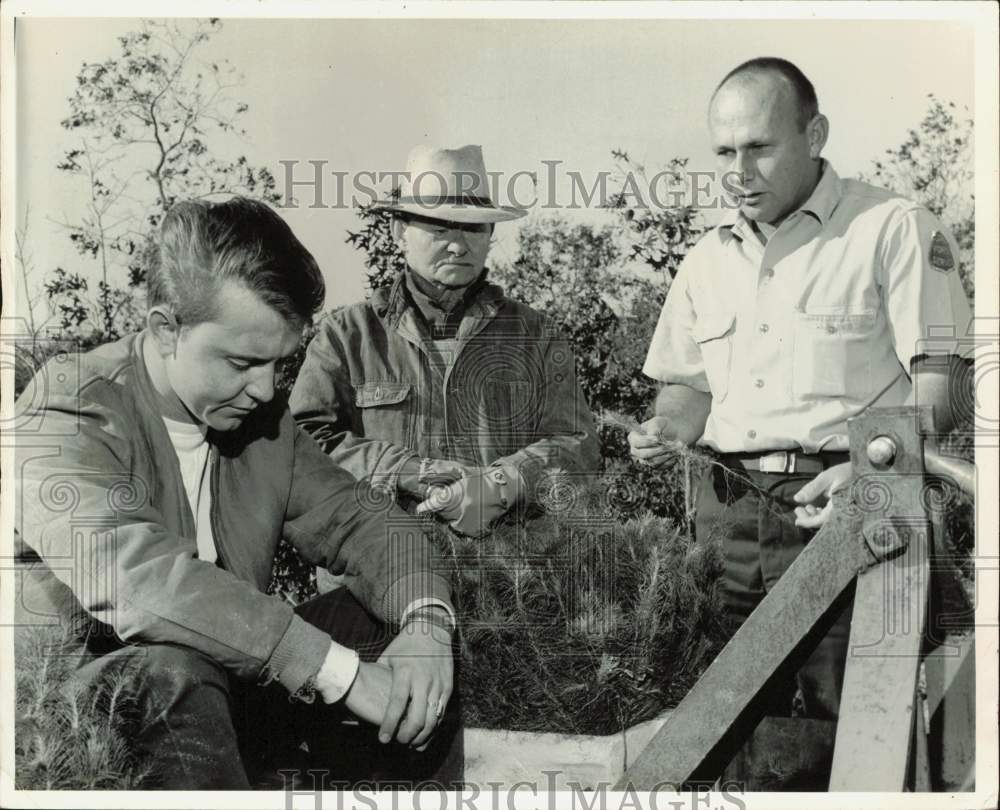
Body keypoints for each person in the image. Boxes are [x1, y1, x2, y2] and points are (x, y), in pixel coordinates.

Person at [15, 197, 459, 789]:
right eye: (243, 361)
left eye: (280, 363)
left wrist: (427, 624)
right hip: (73, 723)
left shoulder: (259, 421)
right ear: (165, 330)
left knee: (401, 630)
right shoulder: (67, 408)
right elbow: (142, 584)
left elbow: (365, 522)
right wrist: (344, 675)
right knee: (173, 671)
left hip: (224, 692)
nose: (266, 388)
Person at [628, 58, 972, 725]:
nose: (738, 171)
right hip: (724, 521)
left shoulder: (893, 228)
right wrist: (667, 426)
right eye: (724, 151)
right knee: (716, 730)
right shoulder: (707, 258)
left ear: (814, 135)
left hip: (854, 509)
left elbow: (947, 383)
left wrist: (869, 469)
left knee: (857, 727)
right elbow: (688, 389)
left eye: (759, 147)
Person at [290, 144, 600, 537]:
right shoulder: (346, 336)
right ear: (399, 231)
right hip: (376, 570)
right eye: (439, 228)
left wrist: (503, 484)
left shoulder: (536, 336)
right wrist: (402, 470)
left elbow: (578, 445)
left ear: (491, 234)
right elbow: (302, 441)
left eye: (473, 228)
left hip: (505, 575)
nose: (458, 245)